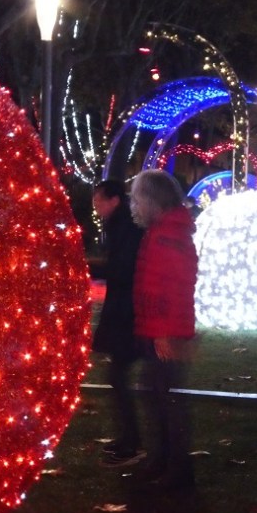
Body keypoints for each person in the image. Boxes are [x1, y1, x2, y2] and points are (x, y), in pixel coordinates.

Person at [130, 169, 199, 489]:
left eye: (137, 199)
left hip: (166, 334)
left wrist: (163, 334)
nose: (134, 206)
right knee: (158, 397)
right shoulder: (163, 232)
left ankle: (177, 468)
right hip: (160, 331)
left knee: (167, 402)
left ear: (152, 201)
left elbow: (171, 290)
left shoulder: (168, 236)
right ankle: (163, 460)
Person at [91, 180, 146, 467]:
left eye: (99, 201)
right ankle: (128, 439)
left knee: (118, 375)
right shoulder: (119, 225)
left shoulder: (126, 226)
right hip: (123, 312)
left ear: (114, 200)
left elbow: (123, 269)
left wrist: (91, 266)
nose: (96, 207)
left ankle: (132, 442)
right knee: (117, 375)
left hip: (128, 315)